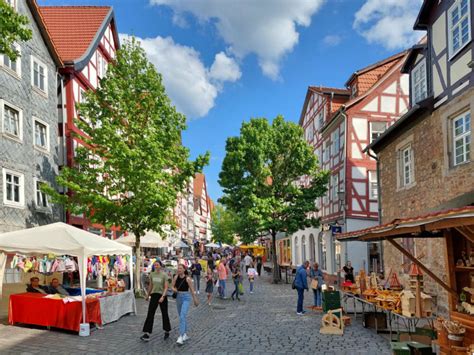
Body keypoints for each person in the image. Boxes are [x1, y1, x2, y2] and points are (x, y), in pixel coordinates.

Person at [140, 261, 171, 342]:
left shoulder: (164, 275)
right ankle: (147, 333)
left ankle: (167, 330)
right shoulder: (152, 274)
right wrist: (147, 295)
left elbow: (166, 287)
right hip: (154, 295)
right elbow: (151, 285)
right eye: (155, 265)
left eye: (157, 265)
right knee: (150, 313)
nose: (156, 266)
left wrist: (163, 296)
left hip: (162, 296)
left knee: (164, 313)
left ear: (160, 266)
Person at [172, 264, 199, 345]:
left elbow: (192, 289)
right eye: (178, 268)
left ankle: (181, 336)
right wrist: (175, 290)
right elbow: (172, 286)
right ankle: (185, 334)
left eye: (180, 268)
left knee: (182, 316)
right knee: (182, 316)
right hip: (178, 297)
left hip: (186, 297)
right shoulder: (176, 277)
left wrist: (195, 299)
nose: (179, 269)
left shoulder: (188, 279)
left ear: (184, 270)